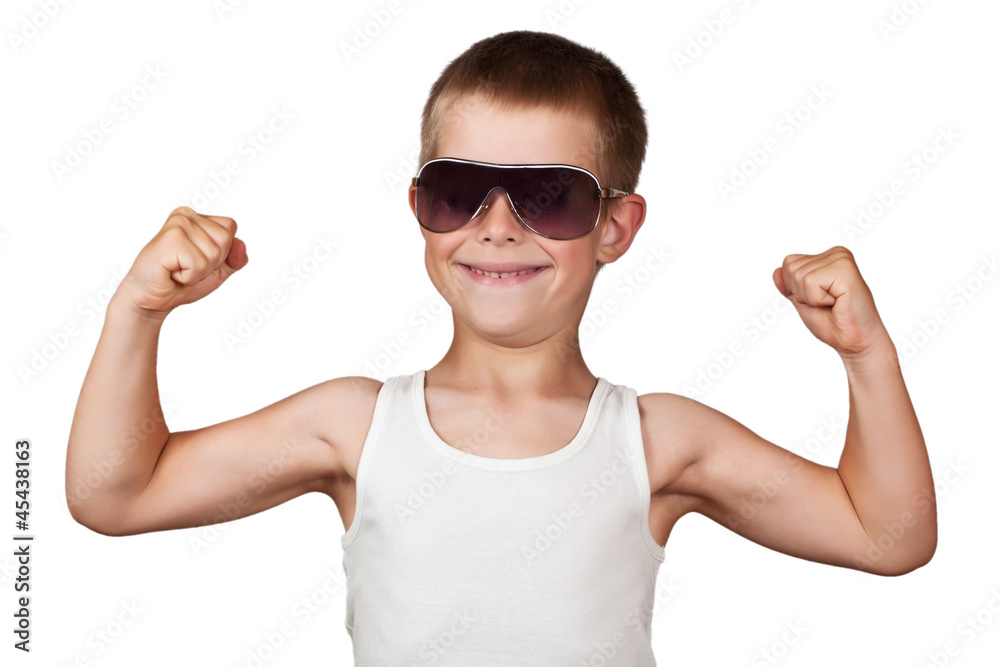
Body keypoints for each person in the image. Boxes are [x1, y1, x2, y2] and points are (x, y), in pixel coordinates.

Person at [65, 30, 937, 665]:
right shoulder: (352, 425)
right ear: (419, 208)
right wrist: (137, 313)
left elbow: (886, 536)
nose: (495, 227)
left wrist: (868, 358)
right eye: (458, 190)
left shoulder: (659, 440)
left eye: (548, 196)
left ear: (614, 227)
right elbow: (116, 495)